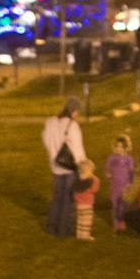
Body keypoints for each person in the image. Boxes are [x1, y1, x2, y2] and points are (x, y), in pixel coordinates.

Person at [40, 101, 85, 239]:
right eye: (77, 111)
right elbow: (77, 148)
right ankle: (63, 229)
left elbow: (45, 140)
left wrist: (53, 153)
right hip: (69, 166)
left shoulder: (51, 122)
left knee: (57, 197)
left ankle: (51, 227)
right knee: (67, 198)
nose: (78, 115)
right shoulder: (72, 125)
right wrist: (82, 164)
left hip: (55, 164)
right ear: (73, 111)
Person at [106, 134, 135, 235]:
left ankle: (122, 222)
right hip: (115, 185)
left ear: (126, 147)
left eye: (121, 147)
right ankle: (116, 224)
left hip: (125, 186)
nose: (118, 148)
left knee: (124, 205)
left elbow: (131, 172)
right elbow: (108, 168)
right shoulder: (112, 157)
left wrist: (131, 184)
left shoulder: (129, 159)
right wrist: (108, 174)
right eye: (117, 146)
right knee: (115, 205)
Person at [72, 159, 98, 241]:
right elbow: (94, 190)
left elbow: (75, 191)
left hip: (79, 204)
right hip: (87, 203)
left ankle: (79, 234)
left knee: (80, 219)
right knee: (86, 221)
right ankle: (86, 235)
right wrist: (94, 179)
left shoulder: (77, 180)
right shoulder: (92, 180)